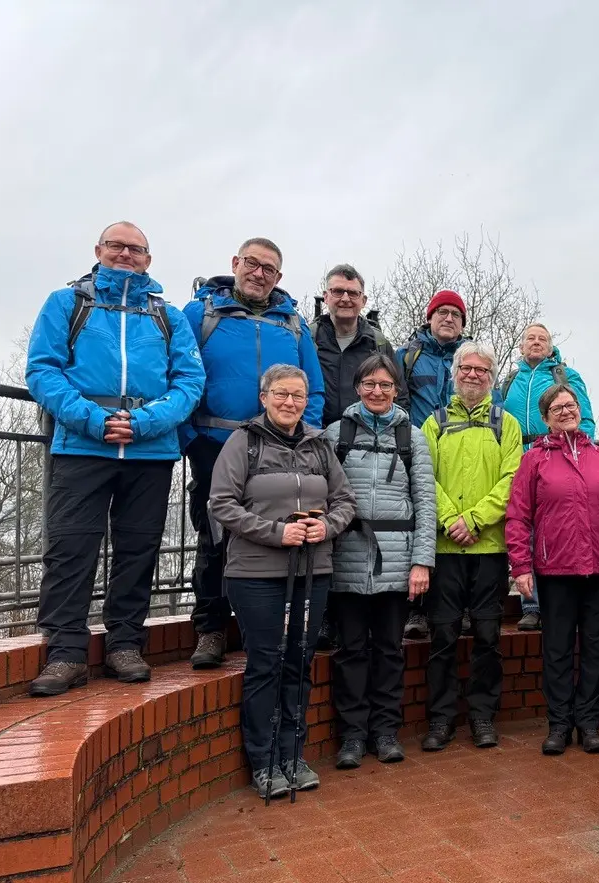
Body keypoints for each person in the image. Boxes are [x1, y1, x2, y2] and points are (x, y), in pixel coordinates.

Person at [25, 222, 205, 695]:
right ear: (99, 250)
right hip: (82, 445)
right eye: (117, 246)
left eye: (136, 249)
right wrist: (92, 419)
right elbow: (42, 370)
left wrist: (143, 423)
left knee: (138, 550)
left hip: (150, 451)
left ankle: (126, 643)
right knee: (70, 549)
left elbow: (189, 382)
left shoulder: (168, 316)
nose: (126, 254)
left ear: (148, 259)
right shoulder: (66, 304)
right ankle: (65, 652)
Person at [208, 364, 356, 800]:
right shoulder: (244, 442)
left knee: (299, 661)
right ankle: (264, 759)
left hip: (313, 571)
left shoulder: (318, 445)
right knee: (266, 663)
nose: (289, 403)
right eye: (281, 394)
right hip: (256, 574)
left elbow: (344, 500)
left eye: (298, 395)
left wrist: (327, 527)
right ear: (264, 396)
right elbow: (221, 503)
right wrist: (276, 532)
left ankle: (294, 754)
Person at [183, 238, 325, 671]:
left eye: (269, 268)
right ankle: (210, 627)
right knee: (214, 536)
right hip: (214, 446)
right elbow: (181, 373)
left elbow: (313, 388)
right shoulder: (199, 314)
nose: (259, 273)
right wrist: (189, 436)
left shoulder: (294, 325)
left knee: (272, 535)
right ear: (235, 264)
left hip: (279, 449)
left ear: (278, 277)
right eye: (252, 264)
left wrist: (303, 436)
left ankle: (257, 628)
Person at [322, 355, 436, 769]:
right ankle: (352, 736)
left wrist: (421, 562)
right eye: (369, 383)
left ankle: (386, 731)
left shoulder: (414, 437)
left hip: (397, 560)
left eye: (385, 385)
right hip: (347, 559)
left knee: (389, 650)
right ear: (357, 387)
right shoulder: (336, 434)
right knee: (350, 651)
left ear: (396, 390)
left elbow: (426, 502)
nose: (377, 391)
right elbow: (324, 498)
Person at [506, 383, 599, 755]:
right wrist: (521, 565)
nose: (566, 411)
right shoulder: (533, 460)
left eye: (570, 405)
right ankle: (559, 724)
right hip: (554, 570)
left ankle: (589, 723)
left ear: (580, 410)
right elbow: (518, 516)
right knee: (556, 650)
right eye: (557, 408)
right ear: (545, 418)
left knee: (596, 649)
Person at [420, 342, 523, 751]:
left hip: (489, 548)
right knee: (441, 636)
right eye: (466, 368)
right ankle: (441, 719)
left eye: (482, 370)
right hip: (445, 549)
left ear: (492, 377)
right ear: (455, 373)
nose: (473, 375)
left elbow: (512, 479)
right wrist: (451, 520)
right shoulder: (435, 422)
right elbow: (424, 477)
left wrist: (476, 519)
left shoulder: (506, 423)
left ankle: (482, 716)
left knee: (487, 637)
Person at [501, 322, 596, 631]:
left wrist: (580, 457)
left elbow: (586, 420)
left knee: (555, 532)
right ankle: (531, 605)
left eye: (542, 338)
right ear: (521, 347)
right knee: (523, 529)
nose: (536, 342)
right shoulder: (510, 381)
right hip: (518, 461)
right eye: (531, 338)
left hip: (557, 459)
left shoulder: (565, 377)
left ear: (551, 345)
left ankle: (560, 603)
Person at [395, 289, 467, 640]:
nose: (449, 318)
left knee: (457, 524)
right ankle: (417, 610)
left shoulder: (470, 358)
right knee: (419, 525)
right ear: (429, 318)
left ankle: (460, 606)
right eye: (442, 313)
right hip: (418, 450)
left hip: (461, 454)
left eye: (456, 314)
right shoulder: (408, 356)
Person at [312, 264, 399, 427]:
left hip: (364, 441)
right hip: (316, 440)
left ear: (363, 300)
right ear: (326, 297)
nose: (345, 299)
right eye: (337, 291)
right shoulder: (308, 340)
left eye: (352, 293)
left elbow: (399, 396)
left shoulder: (379, 344)